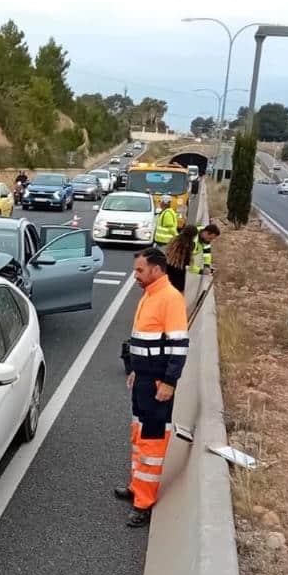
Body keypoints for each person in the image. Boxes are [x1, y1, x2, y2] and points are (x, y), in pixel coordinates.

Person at [115, 248, 189, 527]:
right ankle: (137, 487)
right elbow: (144, 339)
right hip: (143, 380)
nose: (135, 275)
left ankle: (143, 504)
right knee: (139, 436)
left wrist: (169, 382)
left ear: (157, 269)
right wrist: (135, 368)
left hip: (158, 384)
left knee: (152, 443)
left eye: (140, 270)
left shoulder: (170, 298)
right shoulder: (150, 294)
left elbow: (179, 346)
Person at [163, 225, 198, 294]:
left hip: (168, 265)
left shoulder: (175, 239)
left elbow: (167, 251)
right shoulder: (190, 245)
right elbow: (188, 261)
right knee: (176, 291)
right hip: (179, 270)